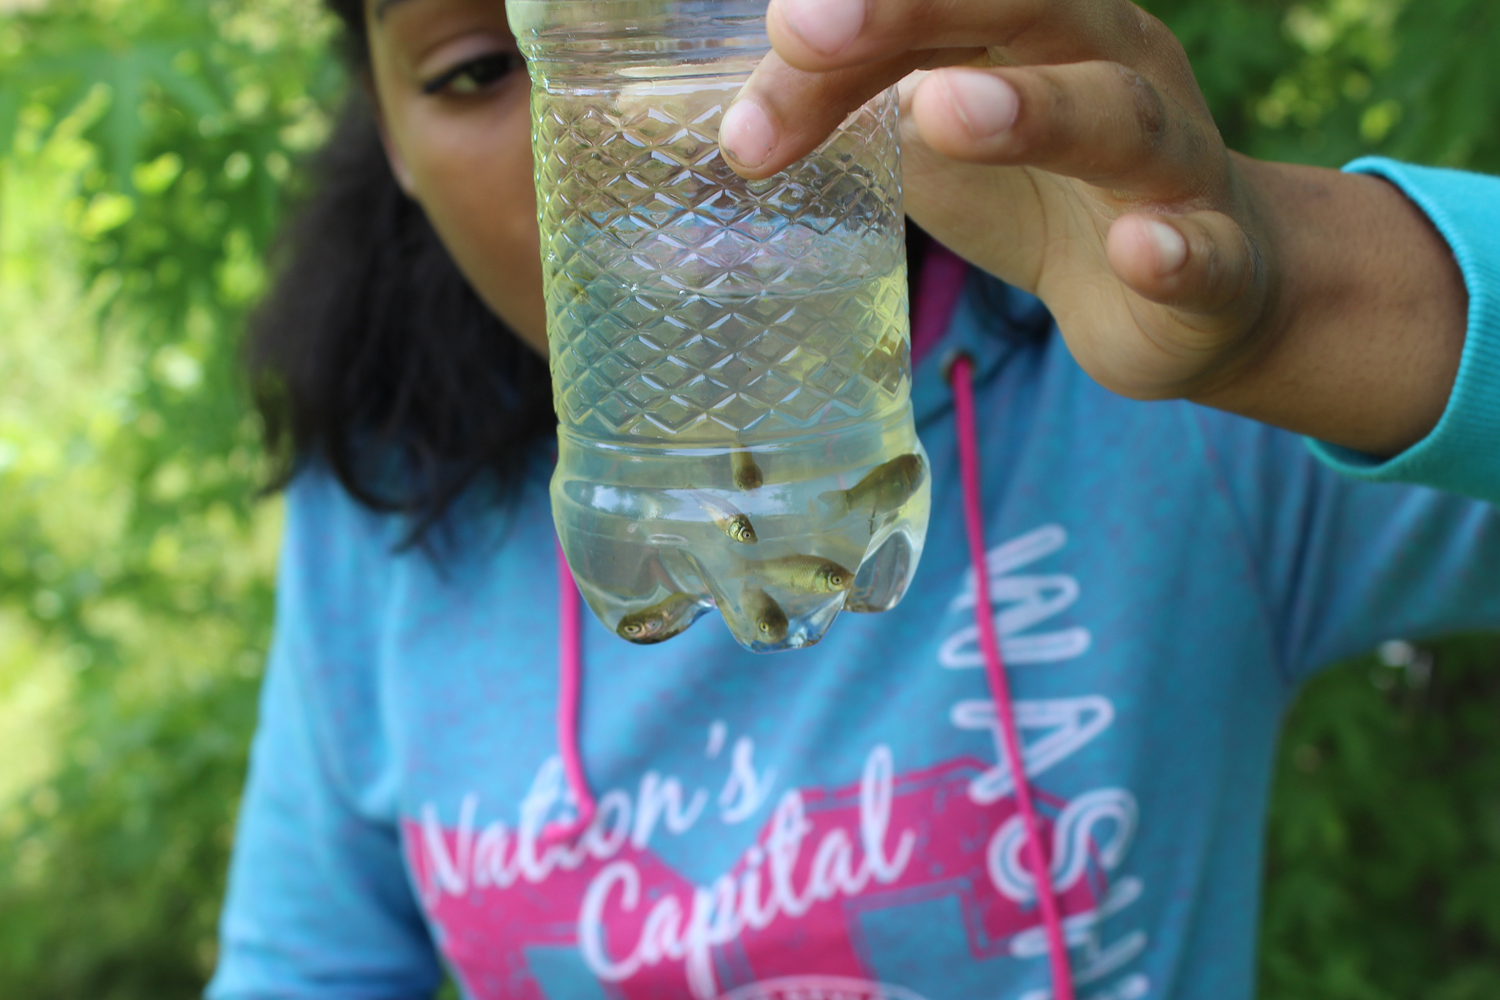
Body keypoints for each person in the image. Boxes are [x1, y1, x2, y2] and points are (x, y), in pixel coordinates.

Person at [208, 0, 1500, 996]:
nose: (657, 125)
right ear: (392, 137)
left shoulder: (1155, 404)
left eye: (730, 3)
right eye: (483, 67)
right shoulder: (383, 515)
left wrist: (1293, 311)